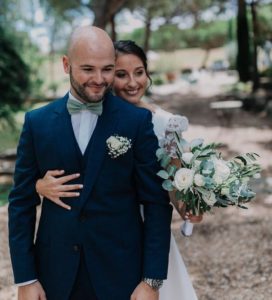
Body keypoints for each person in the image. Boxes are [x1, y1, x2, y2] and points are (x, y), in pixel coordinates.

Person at [8, 27, 173, 300]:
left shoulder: (135, 122)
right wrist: (26, 278)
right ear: (66, 65)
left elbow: (156, 203)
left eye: (108, 69)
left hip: (122, 276)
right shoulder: (37, 123)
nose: (99, 79)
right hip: (54, 277)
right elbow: (21, 203)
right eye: (88, 69)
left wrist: (152, 281)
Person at [35, 39, 201, 299]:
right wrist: (38, 184)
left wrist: (193, 204)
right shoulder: (84, 115)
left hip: (143, 232)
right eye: (121, 74)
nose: (132, 83)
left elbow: (173, 186)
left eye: (139, 72)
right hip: (97, 235)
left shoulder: (166, 125)